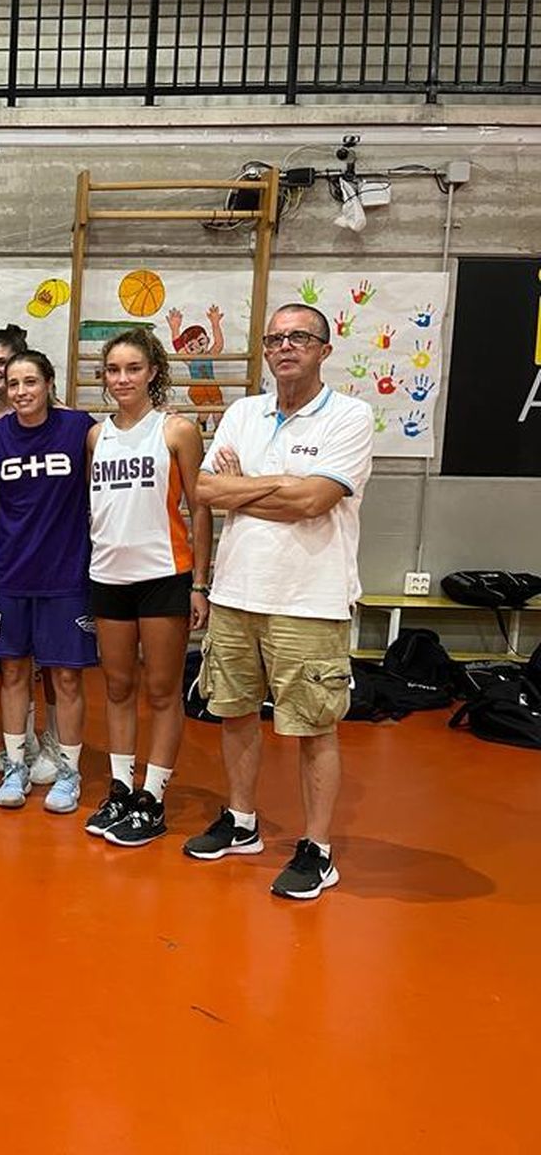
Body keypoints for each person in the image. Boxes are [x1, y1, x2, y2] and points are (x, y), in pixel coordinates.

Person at [186, 303, 373, 900]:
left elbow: (315, 502)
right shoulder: (244, 412)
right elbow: (206, 490)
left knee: (314, 727)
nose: (285, 347)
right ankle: (241, 822)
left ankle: (317, 849)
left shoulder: (350, 416)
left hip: (310, 599)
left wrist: (247, 488)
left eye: (300, 338)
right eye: (276, 339)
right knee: (235, 713)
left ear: (324, 349)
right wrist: (277, 487)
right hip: (238, 591)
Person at [82, 329, 213, 847]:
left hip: (164, 574)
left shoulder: (176, 430)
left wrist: (200, 582)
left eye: (133, 369)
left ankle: (152, 796)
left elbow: (199, 508)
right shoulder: (97, 436)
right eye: (113, 370)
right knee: (116, 688)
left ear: (153, 372)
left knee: (161, 691)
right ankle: (119, 785)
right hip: (108, 574)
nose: (122, 379)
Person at [0, 350, 96, 814]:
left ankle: (69, 771)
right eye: (13, 384)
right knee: (13, 672)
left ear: (50, 383)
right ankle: (16, 763)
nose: (21, 392)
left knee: (66, 677)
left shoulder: (79, 429)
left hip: (66, 573)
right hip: (10, 571)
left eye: (30, 381)